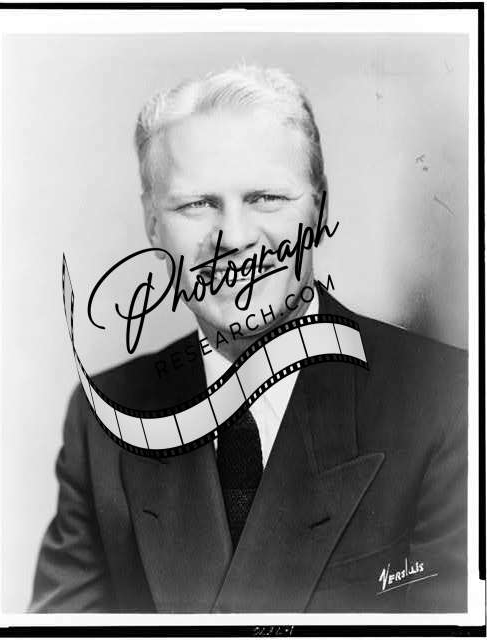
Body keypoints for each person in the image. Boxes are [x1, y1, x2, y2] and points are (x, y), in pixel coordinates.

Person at [30, 66, 467, 613]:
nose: (234, 239)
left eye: (265, 198)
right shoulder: (104, 421)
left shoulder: (448, 399)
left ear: (320, 208)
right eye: (197, 204)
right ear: (152, 224)